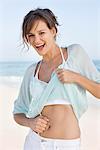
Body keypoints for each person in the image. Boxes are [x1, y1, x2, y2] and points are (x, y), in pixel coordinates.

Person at [13, 8, 100, 150]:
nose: (37, 40)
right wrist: (31, 122)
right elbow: (18, 112)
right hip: (35, 143)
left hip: (68, 145)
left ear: (53, 31)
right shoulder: (32, 71)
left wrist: (76, 77)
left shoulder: (75, 54)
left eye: (41, 33)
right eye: (31, 35)